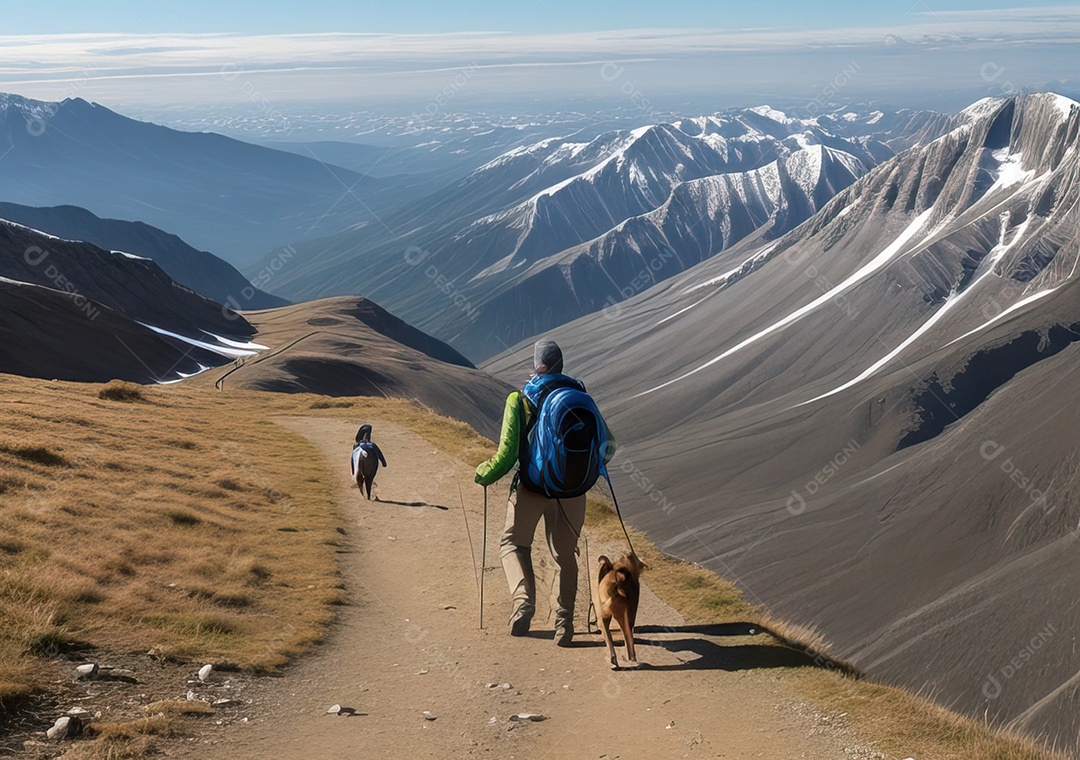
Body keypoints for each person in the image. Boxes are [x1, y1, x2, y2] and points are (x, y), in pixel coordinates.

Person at [474, 340, 614, 647]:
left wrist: (484, 474)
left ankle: (523, 603)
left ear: (540, 366)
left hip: (533, 488)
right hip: (573, 491)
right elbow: (609, 447)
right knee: (565, 556)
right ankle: (564, 624)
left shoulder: (520, 399)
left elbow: (507, 455)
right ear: (560, 365)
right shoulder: (580, 395)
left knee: (513, 544)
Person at [352, 424, 387, 500]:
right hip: (371, 461)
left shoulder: (357, 445)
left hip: (357, 452)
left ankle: (354, 472)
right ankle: (368, 495)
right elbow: (379, 454)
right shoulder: (372, 445)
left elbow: (353, 458)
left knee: (354, 455)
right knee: (369, 478)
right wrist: (384, 463)